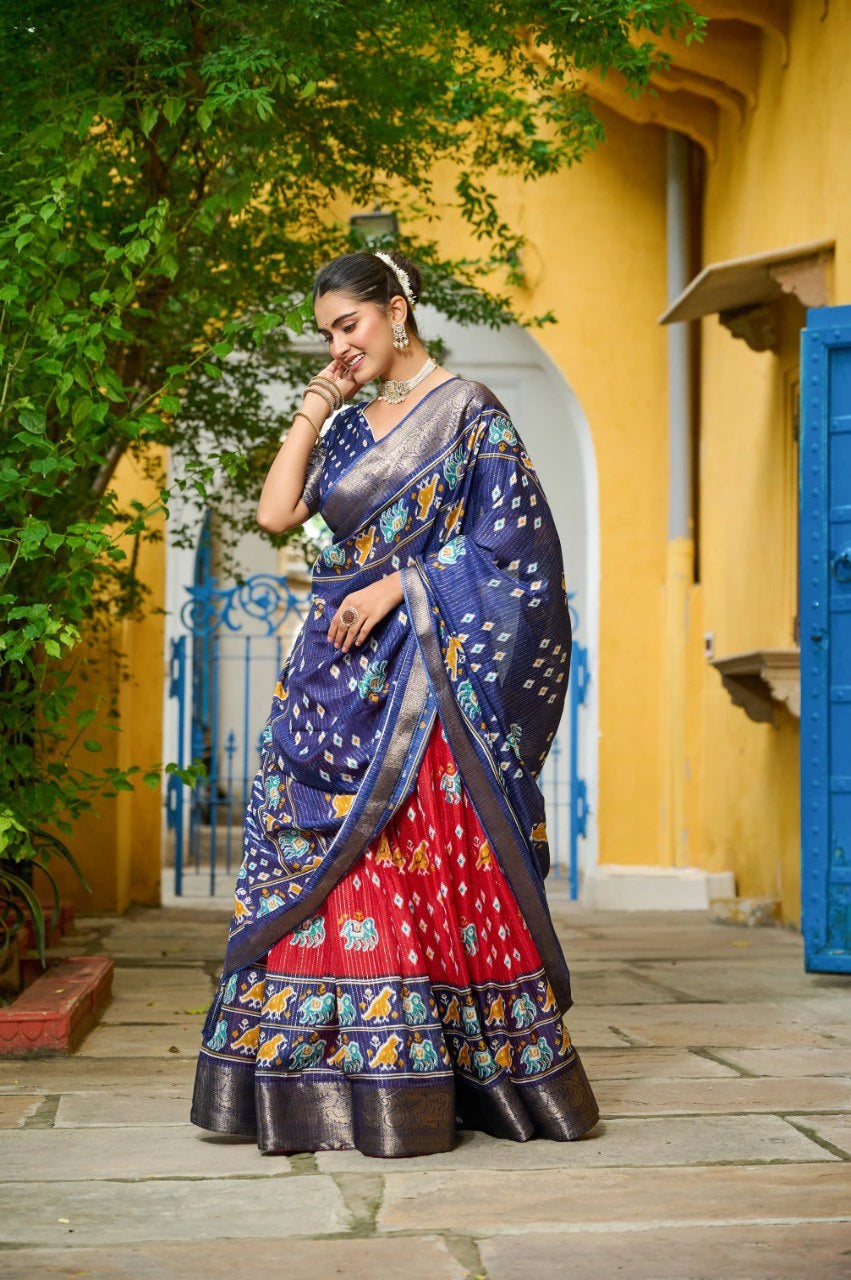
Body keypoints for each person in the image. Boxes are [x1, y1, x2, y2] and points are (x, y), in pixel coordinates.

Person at [190, 249, 599, 1157]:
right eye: (326, 334)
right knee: (325, 868)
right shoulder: (344, 426)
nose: (340, 345)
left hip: (423, 676)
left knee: (402, 860)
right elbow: (275, 514)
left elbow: (518, 557)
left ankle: (419, 1072)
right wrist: (316, 401)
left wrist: (400, 584)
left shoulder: (470, 415)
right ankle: (319, 1072)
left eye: (351, 325)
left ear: (397, 310)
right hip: (329, 679)